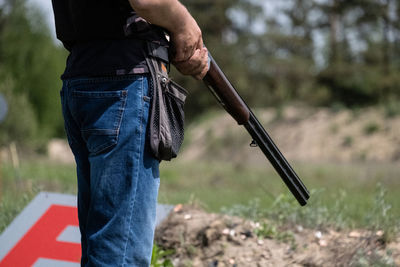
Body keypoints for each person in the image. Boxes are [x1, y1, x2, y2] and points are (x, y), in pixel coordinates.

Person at [51, 0, 209, 266]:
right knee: (119, 254)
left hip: (83, 75)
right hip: (124, 81)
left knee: (101, 248)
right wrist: (184, 23)